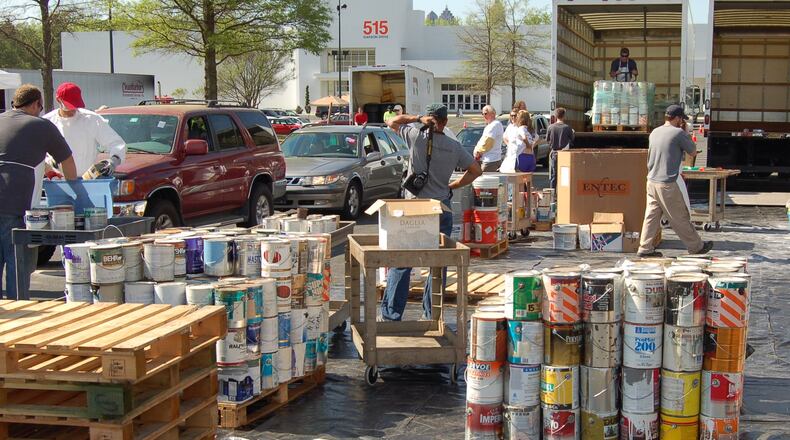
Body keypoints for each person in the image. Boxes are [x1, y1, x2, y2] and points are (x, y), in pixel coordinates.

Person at [383, 104, 482, 321]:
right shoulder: (453, 146)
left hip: (414, 209)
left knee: (403, 261)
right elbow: (476, 170)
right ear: (445, 122)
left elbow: (391, 121)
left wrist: (417, 117)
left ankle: (392, 316)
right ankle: (431, 314)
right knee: (438, 263)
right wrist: (452, 186)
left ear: (429, 118)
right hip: (440, 207)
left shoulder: (415, 136)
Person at [0, 84, 77, 299]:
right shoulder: (41, 126)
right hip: (14, 205)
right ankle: (19, 314)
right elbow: (67, 162)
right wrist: (76, 188)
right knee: (18, 265)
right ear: (35, 104)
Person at [637, 105, 713, 257]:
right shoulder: (678, 133)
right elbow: (692, 151)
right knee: (679, 216)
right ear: (678, 118)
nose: (682, 121)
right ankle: (696, 246)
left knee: (651, 216)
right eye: (681, 119)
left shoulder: (654, 132)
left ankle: (644, 248)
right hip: (667, 183)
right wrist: (686, 132)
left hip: (651, 180)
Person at [546, 107, 574, 189]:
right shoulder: (567, 128)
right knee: (564, 174)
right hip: (565, 154)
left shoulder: (550, 127)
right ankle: (563, 192)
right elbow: (572, 140)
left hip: (554, 153)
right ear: (564, 116)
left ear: (555, 116)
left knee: (554, 174)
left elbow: (547, 140)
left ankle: (552, 194)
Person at [473, 105, 504, 172]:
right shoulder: (490, 125)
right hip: (486, 159)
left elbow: (488, 142)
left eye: (486, 113)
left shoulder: (495, 124)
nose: (484, 115)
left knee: (484, 181)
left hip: (490, 161)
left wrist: (479, 153)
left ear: (493, 113)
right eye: (482, 114)